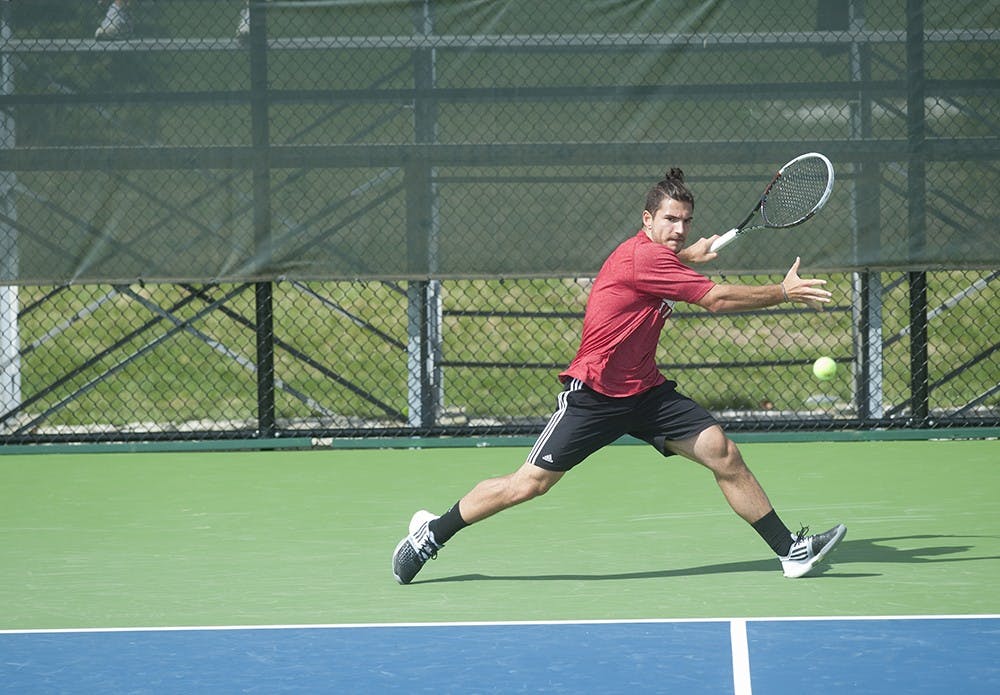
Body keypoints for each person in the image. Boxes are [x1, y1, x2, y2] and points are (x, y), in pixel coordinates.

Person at [392, 167, 847, 584]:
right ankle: (432, 534)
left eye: (686, 221)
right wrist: (782, 292)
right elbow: (717, 300)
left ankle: (790, 551)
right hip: (596, 393)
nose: (680, 229)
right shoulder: (644, 259)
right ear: (647, 219)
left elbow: (665, 271)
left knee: (722, 452)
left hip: (645, 391)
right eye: (670, 219)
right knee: (528, 485)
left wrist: (687, 255)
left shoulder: (659, 257)